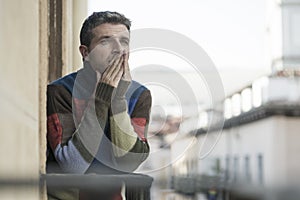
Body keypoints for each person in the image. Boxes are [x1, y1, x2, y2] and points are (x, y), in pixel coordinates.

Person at [46, 11, 152, 200]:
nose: (118, 49)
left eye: (124, 42)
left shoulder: (139, 95)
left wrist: (118, 101)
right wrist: (100, 100)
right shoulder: (61, 91)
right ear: (85, 52)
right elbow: (73, 166)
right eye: (105, 41)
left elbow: (129, 162)